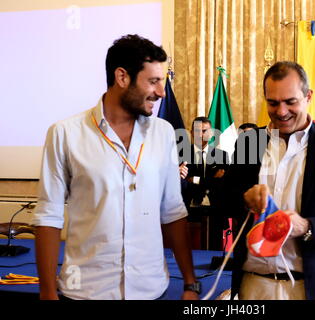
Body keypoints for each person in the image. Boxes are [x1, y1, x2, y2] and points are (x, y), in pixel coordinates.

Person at [31, 34, 200, 300]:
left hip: (151, 289)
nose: (161, 92)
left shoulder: (164, 132)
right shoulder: (64, 134)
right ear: (122, 77)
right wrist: (47, 292)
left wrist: (190, 283)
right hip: (85, 290)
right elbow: (48, 216)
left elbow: (173, 211)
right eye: (153, 81)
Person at [224, 61, 315, 300]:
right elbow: (221, 203)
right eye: (273, 102)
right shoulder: (248, 142)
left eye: (290, 102)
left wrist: (306, 227)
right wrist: (243, 199)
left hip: (310, 287)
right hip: (252, 286)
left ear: (308, 96)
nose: (281, 111)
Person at [179, 117, 229, 250]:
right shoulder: (179, 154)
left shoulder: (222, 156)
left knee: (215, 253)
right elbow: (180, 183)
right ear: (191, 132)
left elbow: (222, 184)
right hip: (187, 211)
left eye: (204, 131)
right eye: (197, 131)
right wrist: (212, 180)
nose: (200, 135)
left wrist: (195, 179)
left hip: (215, 210)